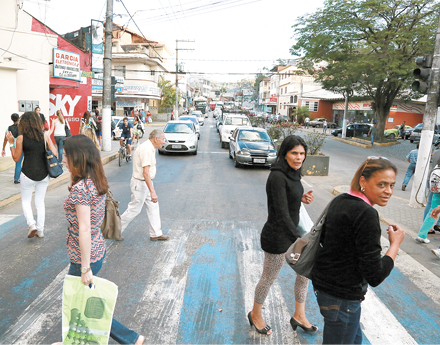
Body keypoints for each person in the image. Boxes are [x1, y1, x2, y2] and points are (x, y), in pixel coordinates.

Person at [61, 135, 144, 345]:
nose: (63, 160)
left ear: (77, 158)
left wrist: (85, 267)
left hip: (84, 257)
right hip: (97, 248)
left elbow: (85, 228)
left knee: (78, 304)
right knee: (83, 301)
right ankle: (130, 339)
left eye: (66, 156)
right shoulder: (94, 181)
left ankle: (130, 339)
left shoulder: (81, 189)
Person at [312, 156, 404, 344]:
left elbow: (329, 243)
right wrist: (395, 244)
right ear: (363, 181)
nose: (388, 191)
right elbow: (375, 275)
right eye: (382, 184)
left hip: (326, 288)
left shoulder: (340, 200)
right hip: (341, 297)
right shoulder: (367, 213)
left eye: (392, 185)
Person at [248, 135, 316, 336]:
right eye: (294, 153)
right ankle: (255, 314)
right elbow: (281, 212)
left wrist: (301, 198)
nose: (298, 157)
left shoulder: (294, 173)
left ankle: (299, 315)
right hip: (278, 236)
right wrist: (301, 238)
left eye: (302, 153)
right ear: (284, 153)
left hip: (293, 234)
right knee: (269, 278)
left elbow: (289, 199)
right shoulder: (277, 176)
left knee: (304, 274)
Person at [6, 112, 57, 238]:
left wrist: (11, 143)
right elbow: (55, 153)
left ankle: (31, 224)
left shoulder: (21, 138)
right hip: (44, 174)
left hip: (27, 174)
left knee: (26, 200)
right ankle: (40, 230)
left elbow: (16, 158)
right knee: (40, 201)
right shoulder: (44, 136)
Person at [120, 129, 168, 241]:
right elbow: (145, 173)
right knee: (134, 210)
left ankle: (156, 233)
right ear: (156, 139)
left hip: (145, 183)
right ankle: (115, 230)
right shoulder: (146, 149)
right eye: (162, 139)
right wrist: (153, 192)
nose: (164, 141)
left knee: (153, 207)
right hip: (141, 184)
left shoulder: (149, 147)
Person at [2, 113, 23, 184]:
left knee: (18, 163)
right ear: (18, 118)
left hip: (14, 147)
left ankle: (16, 179)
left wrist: (3, 149)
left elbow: (5, 139)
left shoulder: (9, 128)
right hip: (22, 146)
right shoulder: (22, 127)